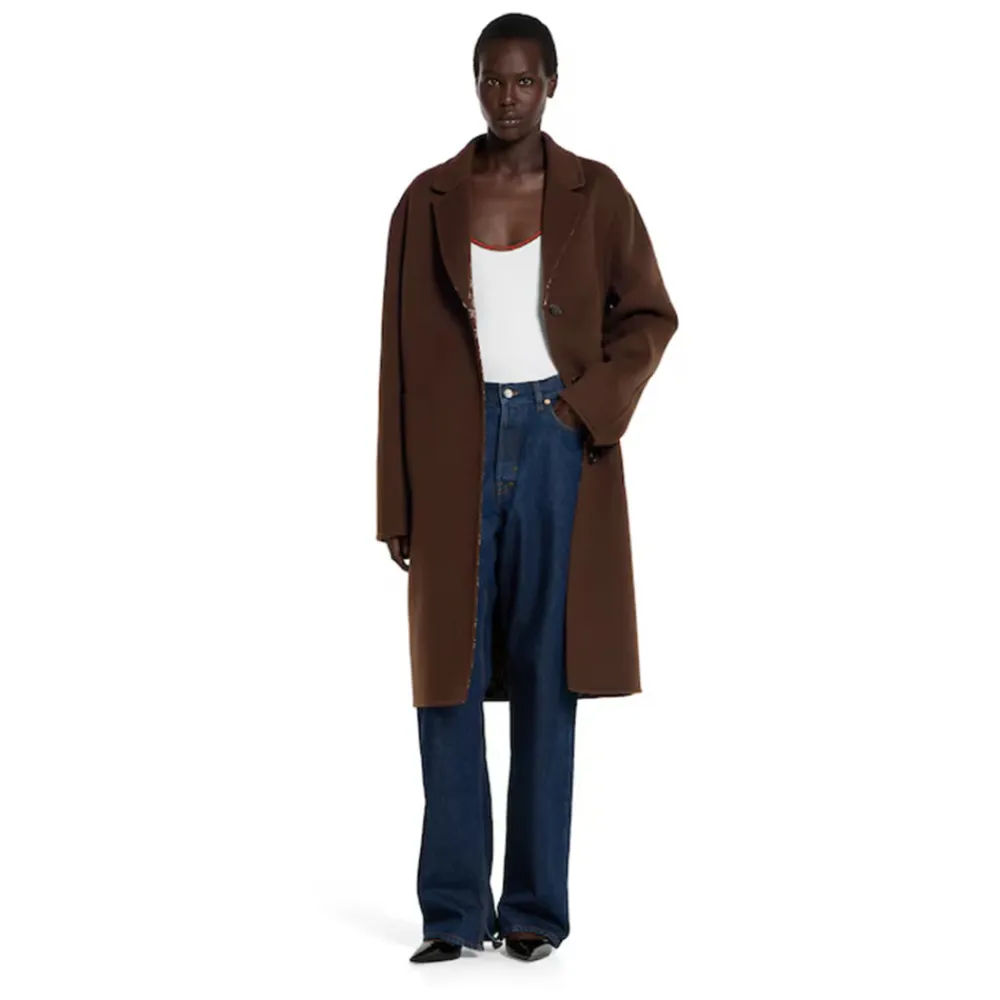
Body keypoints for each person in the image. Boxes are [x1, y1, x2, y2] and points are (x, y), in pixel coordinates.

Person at [375, 12, 679, 964]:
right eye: (491, 80)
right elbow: (394, 363)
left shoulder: (598, 193)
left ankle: (536, 913)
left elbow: (650, 316)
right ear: (474, 83)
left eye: (523, 81)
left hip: (557, 448)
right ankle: (452, 914)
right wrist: (395, 501)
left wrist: (585, 410)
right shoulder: (425, 200)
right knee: (447, 683)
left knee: (551, 677)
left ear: (552, 84)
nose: (506, 98)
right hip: (451, 456)